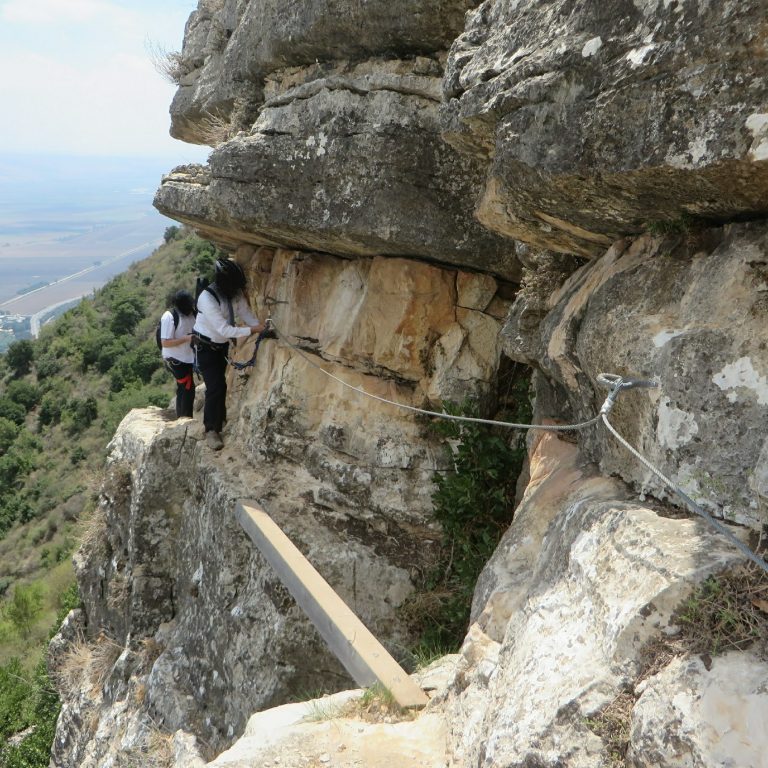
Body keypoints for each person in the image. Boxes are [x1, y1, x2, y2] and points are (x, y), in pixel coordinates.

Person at [194, 258, 264, 450]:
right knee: (215, 386)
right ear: (224, 281)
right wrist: (253, 330)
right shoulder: (207, 298)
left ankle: (220, 419)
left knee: (222, 385)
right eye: (233, 286)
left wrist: (259, 326)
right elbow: (224, 330)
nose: (237, 291)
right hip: (205, 347)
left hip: (221, 347)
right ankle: (210, 430)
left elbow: (246, 313)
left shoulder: (234, 293)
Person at [160, 290, 197, 419]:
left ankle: (182, 418)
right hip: (175, 358)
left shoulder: (192, 313)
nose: (189, 309)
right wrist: (187, 339)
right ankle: (184, 420)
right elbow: (165, 342)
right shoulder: (169, 316)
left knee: (184, 388)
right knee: (187, 388)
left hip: (188, 357)